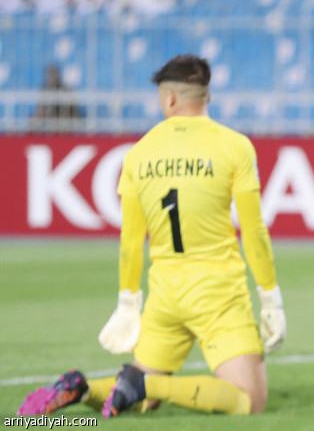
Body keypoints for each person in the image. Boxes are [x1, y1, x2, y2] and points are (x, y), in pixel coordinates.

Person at [18, 54, 286, 418]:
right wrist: (270, 298)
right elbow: (253, 231)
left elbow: (131, 242)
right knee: (249, 400)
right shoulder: (234, 146)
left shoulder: (138, 154)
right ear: (206, 95)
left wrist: (128, 303)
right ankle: (147, 384)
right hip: (218, 293)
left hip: (164, 296)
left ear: (169, 98)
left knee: (139, 398)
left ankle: (82, 388)